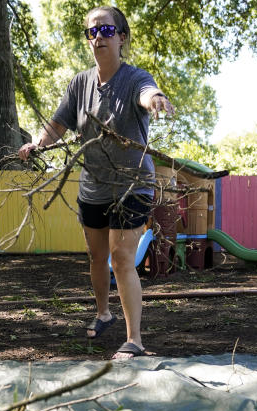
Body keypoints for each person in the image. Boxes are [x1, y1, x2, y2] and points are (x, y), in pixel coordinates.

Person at [18, 5, 174, 359]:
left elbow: (146, 92)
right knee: (97, 256)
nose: (98, 37)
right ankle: (104, 312)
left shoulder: (134, 78)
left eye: (106, 30)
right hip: (94, 186)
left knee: (121, 258)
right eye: (92, 31)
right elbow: (58, 123)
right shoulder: (80, 84)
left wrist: (156, 99)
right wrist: (38, 145)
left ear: (122, 37)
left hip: (133, 183)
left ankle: (134, 340)